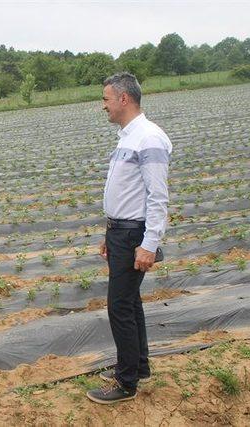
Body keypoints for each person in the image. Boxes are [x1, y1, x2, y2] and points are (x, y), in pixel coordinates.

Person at [87, 73, 172, 404]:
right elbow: (127, 192)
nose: (103, 105)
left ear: (124, 99)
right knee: (129, 303)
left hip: (134, 234)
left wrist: (149, 244)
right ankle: (136, 367)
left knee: (119, 305)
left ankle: (125, 384)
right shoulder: (129, 137)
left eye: (106, 99)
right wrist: (110, 232)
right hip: (120, 232)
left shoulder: (148, 139)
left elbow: (157, 197)